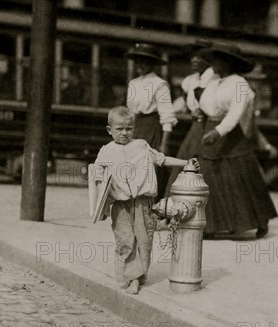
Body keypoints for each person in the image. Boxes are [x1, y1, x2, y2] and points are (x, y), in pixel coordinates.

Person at [93, 106, 199, 294]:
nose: (125, 133)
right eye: (120, 129)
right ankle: (131, 276)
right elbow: (98, 180)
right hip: (121, 205)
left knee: (144, 240)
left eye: (129, 128)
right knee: (125, 240)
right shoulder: (106, 151)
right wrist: (100, 206)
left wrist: (185, 163)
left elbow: (162, 159)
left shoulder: (141, 146)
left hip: (144, 204)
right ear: (110, 130)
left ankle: (139, 275)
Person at [196, 43, 278, 239]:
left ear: (229, 63)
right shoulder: (214, 81)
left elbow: (235, 113)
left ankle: (260, 219)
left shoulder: (240, 84)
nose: (212, 63)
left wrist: (218, 131)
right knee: (209, 177)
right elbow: (203, 101)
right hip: (210, 129)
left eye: (217, 59)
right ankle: (211, 225)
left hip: (231, 134)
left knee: (241, 177)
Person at [125, 43, 178, 198]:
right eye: (138, 60)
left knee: (149, 168)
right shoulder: (133, 83)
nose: (140, 65)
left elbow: (166, 115)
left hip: (152, 128)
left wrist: (164, 143)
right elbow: (130, 111)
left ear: (152, 64)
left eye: (145, 61)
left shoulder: (160, 84)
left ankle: (150, 207)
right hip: (135, 127)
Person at [165, 39, 217, 196]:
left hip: (211, 126)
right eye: (192, 57)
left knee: (205, 166)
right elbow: (184, 102)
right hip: (196, 127)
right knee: (185, 161)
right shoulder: (190, 80)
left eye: (199, 57)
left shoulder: (215, 78)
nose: (194, 60)